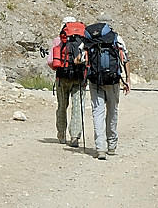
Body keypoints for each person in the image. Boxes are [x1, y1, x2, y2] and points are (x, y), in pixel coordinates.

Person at [86, 16, 130, 160]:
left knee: (97, 113)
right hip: (113, 81)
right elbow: (125, 58)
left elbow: (80, 58)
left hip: (95, 82)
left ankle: (100, 149)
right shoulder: (116, 38)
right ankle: (112, 145)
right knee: (112, 112)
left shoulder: (89, 39)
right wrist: (127, 80)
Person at [46, 17, 86, 147]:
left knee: (62, 106)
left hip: (62, 77)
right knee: (78, 107)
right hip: (79, 78)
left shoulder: (59, 40)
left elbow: (51, 62)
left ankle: (61, 135)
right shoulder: (83, 40)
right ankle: (75, 136)